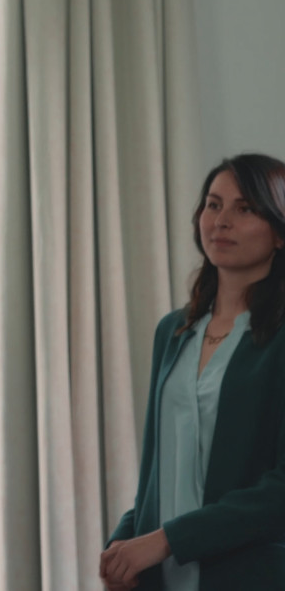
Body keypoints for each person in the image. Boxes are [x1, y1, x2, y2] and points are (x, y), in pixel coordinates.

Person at [99, 153, 285, 591]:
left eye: (245, 208)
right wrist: (123, 544)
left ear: (279, 232)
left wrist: (167, 541)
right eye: (213, 205)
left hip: (252, 576)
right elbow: (159, 471)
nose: (221, 221)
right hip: (162, 578)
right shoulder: (173, 331)